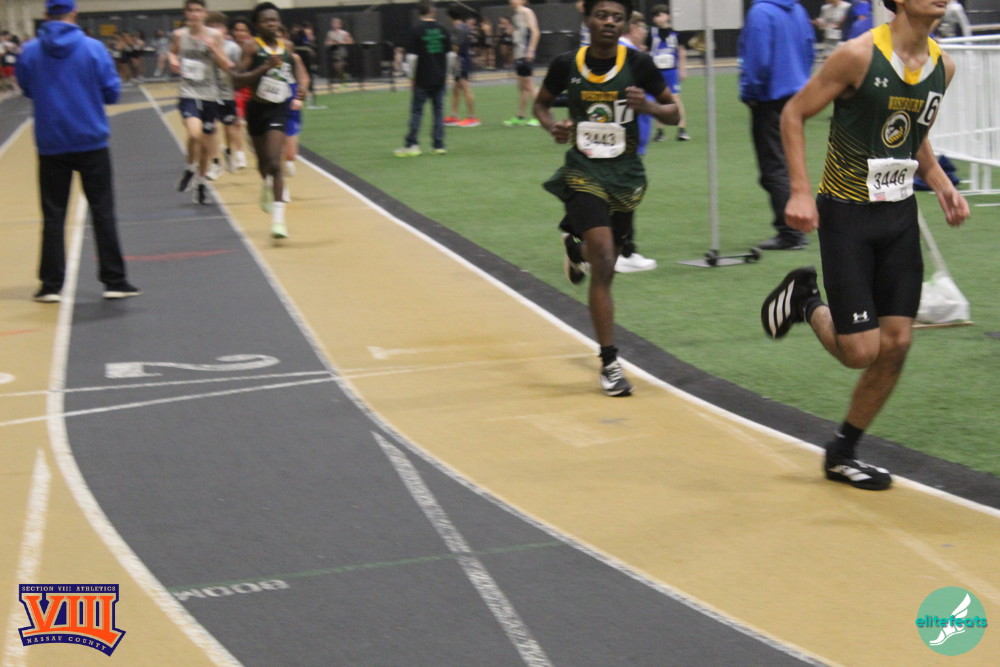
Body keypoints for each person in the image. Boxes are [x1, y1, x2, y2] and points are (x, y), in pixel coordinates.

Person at [762, 0, 969, 490]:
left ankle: (842, 452)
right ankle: (805, 300)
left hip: (898, 214)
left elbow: (913, 134)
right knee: (860, 351)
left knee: (897, 343)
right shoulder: (857, 55)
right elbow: (793, 114)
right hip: (846, 215)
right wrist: (798, 190)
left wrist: (941, 182)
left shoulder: (943, 66)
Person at [534, 0, 679, 396]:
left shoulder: (640, 64)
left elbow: (674, 112)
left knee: (607, 258)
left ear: (624, 24)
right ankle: (610, 362)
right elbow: (541, 104)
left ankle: (574, 249)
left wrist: (649, 106)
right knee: (603, 255)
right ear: (587, 20)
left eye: (617, 17)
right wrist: (553, 126)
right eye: (602, 15)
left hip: (625, 175)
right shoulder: (567, 64)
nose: (610, 22)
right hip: (583, 170)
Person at [16, 0, 140, 302]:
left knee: (53, 214)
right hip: (91, 140)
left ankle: (50, 285)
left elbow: (27, 88)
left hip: (51, 142)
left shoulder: (30, 51)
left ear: (45, 15)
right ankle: (114, 280)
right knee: (102, 211)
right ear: (74, 13)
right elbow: (111, 92)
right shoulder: (93, 48)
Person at [738, 0, 815, 251]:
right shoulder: (798, 10)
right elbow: (809, 50)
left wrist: (750, 92)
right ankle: (799, 222)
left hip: (770, 98)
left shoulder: (761, 13)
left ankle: (790, 231)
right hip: (797, 95)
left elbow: (757, 60)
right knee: (791, 161)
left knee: (774, 166)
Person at [232, 1, 308, 240]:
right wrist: (264, 67)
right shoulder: (251, 47)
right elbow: (237, 80)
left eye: (274, 20)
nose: (272, 24)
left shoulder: (287, 46)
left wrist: (301, 88)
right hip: (256, 109)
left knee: (275, 162)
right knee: (263, 163)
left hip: (278, 109)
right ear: (257, 25)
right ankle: (266, 184)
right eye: (266, 21)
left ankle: (278, 221)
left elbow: (297, 69)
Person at [169, 0, 232, 205]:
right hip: (188, 92)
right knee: (194, 134)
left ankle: (201, 183)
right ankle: (189, 169)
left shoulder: (215, 35)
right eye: (191, 10)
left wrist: (213, 48)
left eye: (198, 10)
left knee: (205, 147)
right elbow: (172, 51)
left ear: (205, 13)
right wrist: (173, 60)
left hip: (209, 94)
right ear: (185, 13)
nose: (194, 14)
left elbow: (225, 65)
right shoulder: (180, 35)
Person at [394, 0, 453, 157]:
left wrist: (411, 77)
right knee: (438, 111)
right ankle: (438, 145)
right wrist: (447, 74)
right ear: (432, 11)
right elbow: (450, 56)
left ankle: (412, 145)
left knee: (417, 112)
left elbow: (411, 58)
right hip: (439, 77)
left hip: (422, 77)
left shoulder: (415, 31)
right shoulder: (443, 30)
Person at [204, 11, 246, 177]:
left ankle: (231, 151)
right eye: (211, 26)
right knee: (211, 127)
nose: (215, 30)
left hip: (226, 91)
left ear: (224, 29)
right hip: (207, 91)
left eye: (218, 26)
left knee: (230, 125)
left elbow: (236, 68)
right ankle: (215, 162)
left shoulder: (232, 48)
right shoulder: (201, 45)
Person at [647, 4, 690, 141]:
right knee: (658, 100)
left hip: (671, 71)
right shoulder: (651, 34)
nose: (657, 18)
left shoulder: (676, 34)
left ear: (668, 16)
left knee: (676, 99)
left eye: (660, 15)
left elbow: (681, 52)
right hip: (656, 71)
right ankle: (660, 131)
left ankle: (682, 129)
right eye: (655, 16)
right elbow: (645, 50)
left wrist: (682, 69)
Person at [503, 0, 541, 126]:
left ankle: (540, 115)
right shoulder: (516, 15)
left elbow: (535, 32)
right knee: (522, 87)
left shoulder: (527, 12)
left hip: (525, 53)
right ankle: (520, 116)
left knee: (529, 85)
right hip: (519, 53)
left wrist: (531, 50)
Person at [444, 4, 479, 128]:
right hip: (461, 60)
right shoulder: (462, 26)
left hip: (460, 61)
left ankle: (472, 117)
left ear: (449, 16)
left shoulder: (458, 28)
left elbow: (456, 47)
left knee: (465, 89)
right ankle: (454, 116)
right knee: (455, 89)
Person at [324, 17, 352, 92]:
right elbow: (327, 42)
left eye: (337, 24)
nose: (335, 25)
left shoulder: (344, 33)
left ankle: (343, 83)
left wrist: (341, 43)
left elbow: (350, 42)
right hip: (334, 52)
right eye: (334, 23)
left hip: (342, 52)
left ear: (340, 25)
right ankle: (343, 80)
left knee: (340, 66)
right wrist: (330, 43)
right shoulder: (330, 33)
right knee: (336, 68)